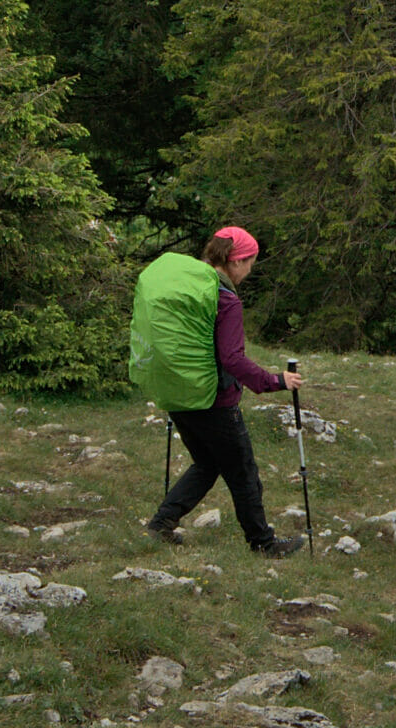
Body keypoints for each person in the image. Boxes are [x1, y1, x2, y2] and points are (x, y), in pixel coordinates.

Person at [130, 225, 304, 555]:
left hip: (180, 393)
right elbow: (232, 358)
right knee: (243, 472)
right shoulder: (225, 300)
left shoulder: (192, 290)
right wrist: (276, 381)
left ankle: (161, 524)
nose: (250, 271)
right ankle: (264, 544)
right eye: (250, 262)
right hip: (214, 400)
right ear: (236, 261)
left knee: (208, 464)